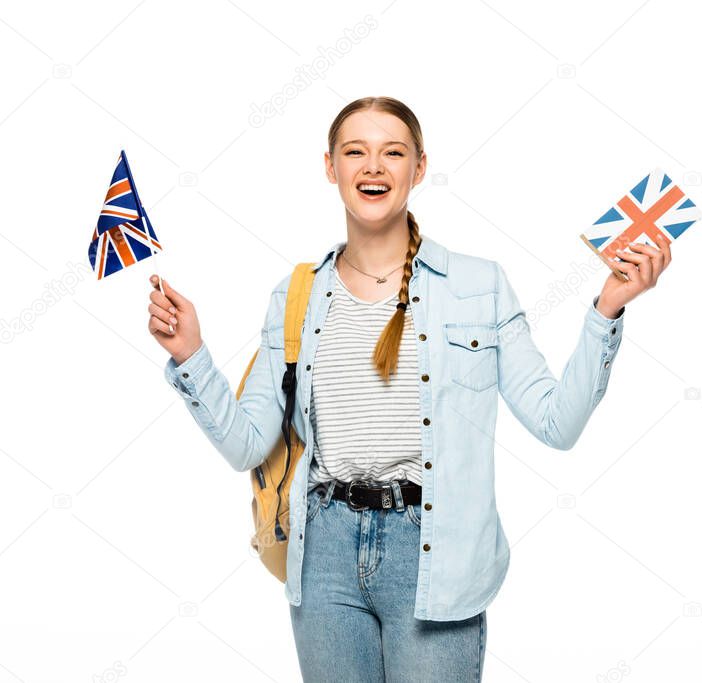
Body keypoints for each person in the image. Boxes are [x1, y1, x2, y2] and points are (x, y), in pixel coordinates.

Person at [147, 96, 671, 682]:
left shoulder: (478, 285)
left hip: (435, 553)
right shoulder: (295, 297)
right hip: (323, 555)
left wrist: (606, 311)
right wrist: (191, 355)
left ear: (418, 169)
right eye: (355, 152)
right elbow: (247, 444)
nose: (373, 167)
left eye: (392, 152)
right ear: (330, 167)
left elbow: (558, 423)